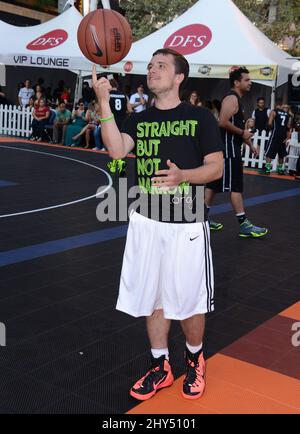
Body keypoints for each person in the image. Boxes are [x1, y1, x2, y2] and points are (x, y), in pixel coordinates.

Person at [92, 48, 224, 401]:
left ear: (179, 77)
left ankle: (195, 358)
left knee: (190, 298)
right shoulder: (138, 118)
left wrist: (184, 175)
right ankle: (160, 365)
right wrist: (104, 101)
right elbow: (117, 151)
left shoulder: (200, 118)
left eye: (161, 66)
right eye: (150, 66)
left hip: (186, 222)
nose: (152, 70)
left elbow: (216, 168)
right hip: (146, 221)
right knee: (153, 296)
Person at [205, 66, 268, 238]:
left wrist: (249, 144)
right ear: (236, 82)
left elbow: (238, 127)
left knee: (213, 185)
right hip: (228, 151)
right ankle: (244, 224)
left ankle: (202, 218)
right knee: (236, 187)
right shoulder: (232, 98)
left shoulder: (237, 100)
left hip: (228, 149)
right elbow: (223, 122)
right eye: (246, 80)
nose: (250, 82)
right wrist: (243, 134)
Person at [106, 78, 132, 175]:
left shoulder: (108, 95)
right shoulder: (124, 95)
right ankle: (114, 164)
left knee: (112, 144)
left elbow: (105, 110)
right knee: (118, 144)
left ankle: (119, 163)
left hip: (112, 121)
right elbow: (129, 109)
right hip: (123, 121)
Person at [263, 100, 292, 175]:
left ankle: (267, 169)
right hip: (283, 136)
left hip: (275, 135)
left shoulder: (274, 111)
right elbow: (288, 128)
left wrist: (269, 128)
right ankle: (279, 170)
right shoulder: (288, 115)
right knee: (281, 154)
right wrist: (287, 138)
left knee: (269, 153)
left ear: (277, 105)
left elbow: (269, 123)